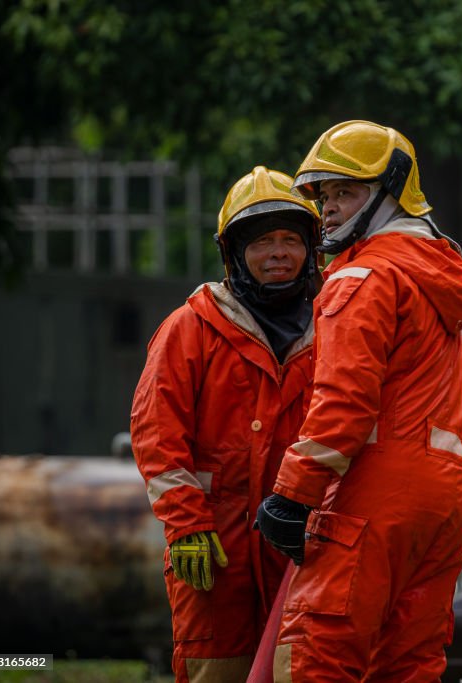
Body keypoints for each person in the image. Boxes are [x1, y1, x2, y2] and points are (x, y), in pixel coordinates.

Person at [253, 120, 462, 682]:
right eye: (325, 195)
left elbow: (344, 404)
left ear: (388, 195)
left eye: (345, 192)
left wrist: (293, 495)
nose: (328, 208)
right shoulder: (436, 276)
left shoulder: (363, 275)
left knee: (318, 654)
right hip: (446, 497)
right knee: (409, 664)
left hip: (374, 492)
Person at [130, 166, 322, 682]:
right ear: (234, 253)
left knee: (303, 670)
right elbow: (156, 436)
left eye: (290, 239)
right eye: (262, 242)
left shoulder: (337, 324)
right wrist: (186, 523)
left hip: (305, 547)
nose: (278, 253)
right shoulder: (190, 328)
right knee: (217, 670)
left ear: (311, 247)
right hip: (215, 550)